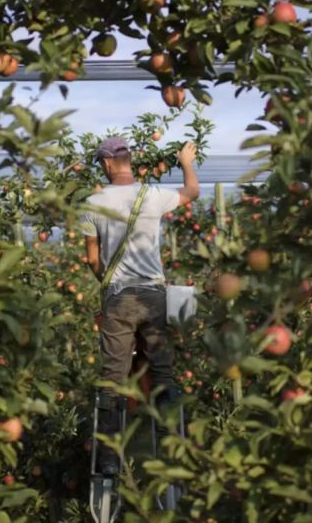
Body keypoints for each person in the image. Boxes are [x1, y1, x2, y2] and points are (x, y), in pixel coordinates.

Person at [80, 136, 200, 476]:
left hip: (118, 297)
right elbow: (192, 191)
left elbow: (92, 259)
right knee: (162, 372)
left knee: (113, 379)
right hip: (152, 296)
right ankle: (170, 442)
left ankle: (108, 457)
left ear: (106, 164)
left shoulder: (93, 202)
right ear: (129, 161)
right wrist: (185, 161)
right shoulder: (153, 195)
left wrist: (109, 280)